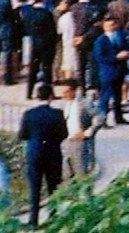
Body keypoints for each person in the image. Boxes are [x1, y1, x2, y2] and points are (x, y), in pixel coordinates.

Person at [20, 83, 65, 227]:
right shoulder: (57, 114)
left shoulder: (29, 114)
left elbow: (23, 135)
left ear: (37, 96)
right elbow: (64, 134)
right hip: (52, 153)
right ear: (51, 96)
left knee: (35, 188)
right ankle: (54, 217)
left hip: (34, 153)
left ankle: (33, 221)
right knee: (54, 186)